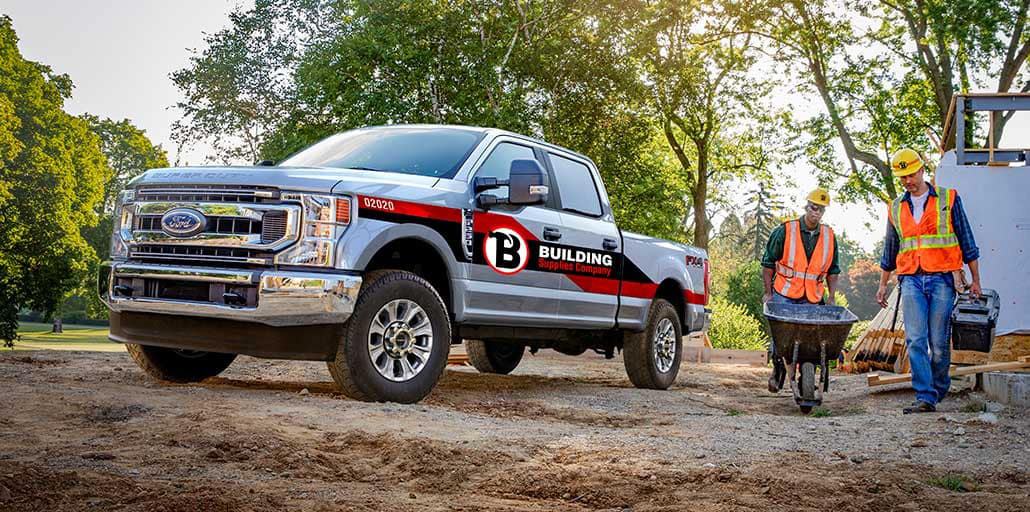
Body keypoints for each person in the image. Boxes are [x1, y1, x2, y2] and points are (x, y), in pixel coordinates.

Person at [876, 148, 981, 414]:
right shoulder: (896, 208)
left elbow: (967, 242)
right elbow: (890, 250)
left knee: (939, 341)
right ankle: (925, 395)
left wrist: (976, 280)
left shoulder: (948, 198)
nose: (907, 181)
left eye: (911, 175)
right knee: (915, 339)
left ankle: (938, 387)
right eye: (902, 178)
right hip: (911, 279)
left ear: (922, 170)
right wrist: (882, 284)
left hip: (943, 278)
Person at [761, 188, 841, 392]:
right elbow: (768, 263)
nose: (817, 213)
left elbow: (833, 270)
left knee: (812, 339)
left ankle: (807, 375)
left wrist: (831, 297)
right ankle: (779, 369)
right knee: (782, 339)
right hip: (784, 294)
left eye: (821, 210)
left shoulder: (829, 236)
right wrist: (768, 293)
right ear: (806, 207)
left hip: (812, 297)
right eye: (814, 208)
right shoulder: (786, 231)